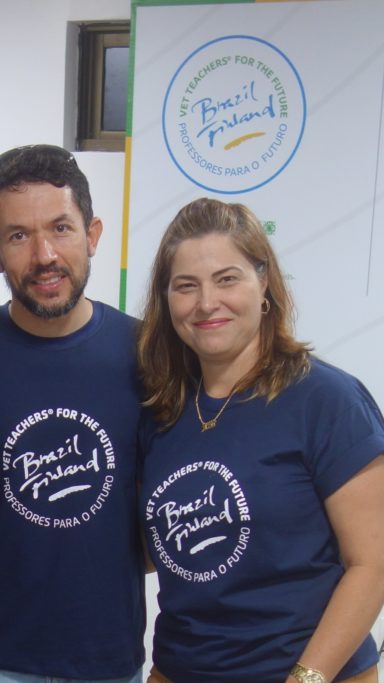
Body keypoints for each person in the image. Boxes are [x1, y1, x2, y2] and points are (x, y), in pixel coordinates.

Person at [137, 197, 384, 683]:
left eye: (227, 279)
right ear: (167, 301)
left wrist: (305, 679)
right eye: (186, 286)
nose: (207, 303)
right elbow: (156, 547)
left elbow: (372, 564)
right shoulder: (161, 411)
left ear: (264, 281)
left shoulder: (326, 400)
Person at [0, 144, 144, 682]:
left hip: (104, 656)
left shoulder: (147, 353)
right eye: (19, 236)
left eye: (61, 228)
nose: (44, 254)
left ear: (93, 234)